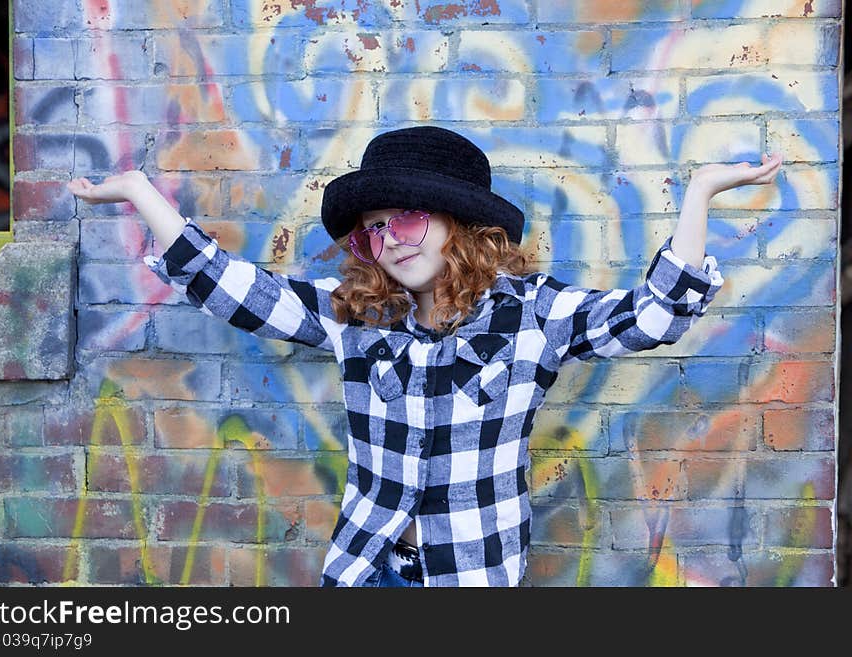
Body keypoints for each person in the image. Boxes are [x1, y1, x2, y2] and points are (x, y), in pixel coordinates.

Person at [67, 126, 783, 587]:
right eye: (374, 229)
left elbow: (654, 315)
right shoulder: (360, 317)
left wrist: (699, 193)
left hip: (471, 577)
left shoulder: (534, 316)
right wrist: (137, 192)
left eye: (407, 217)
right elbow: (234, 289)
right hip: (366, 569)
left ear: (460, 224)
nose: (392, 239)